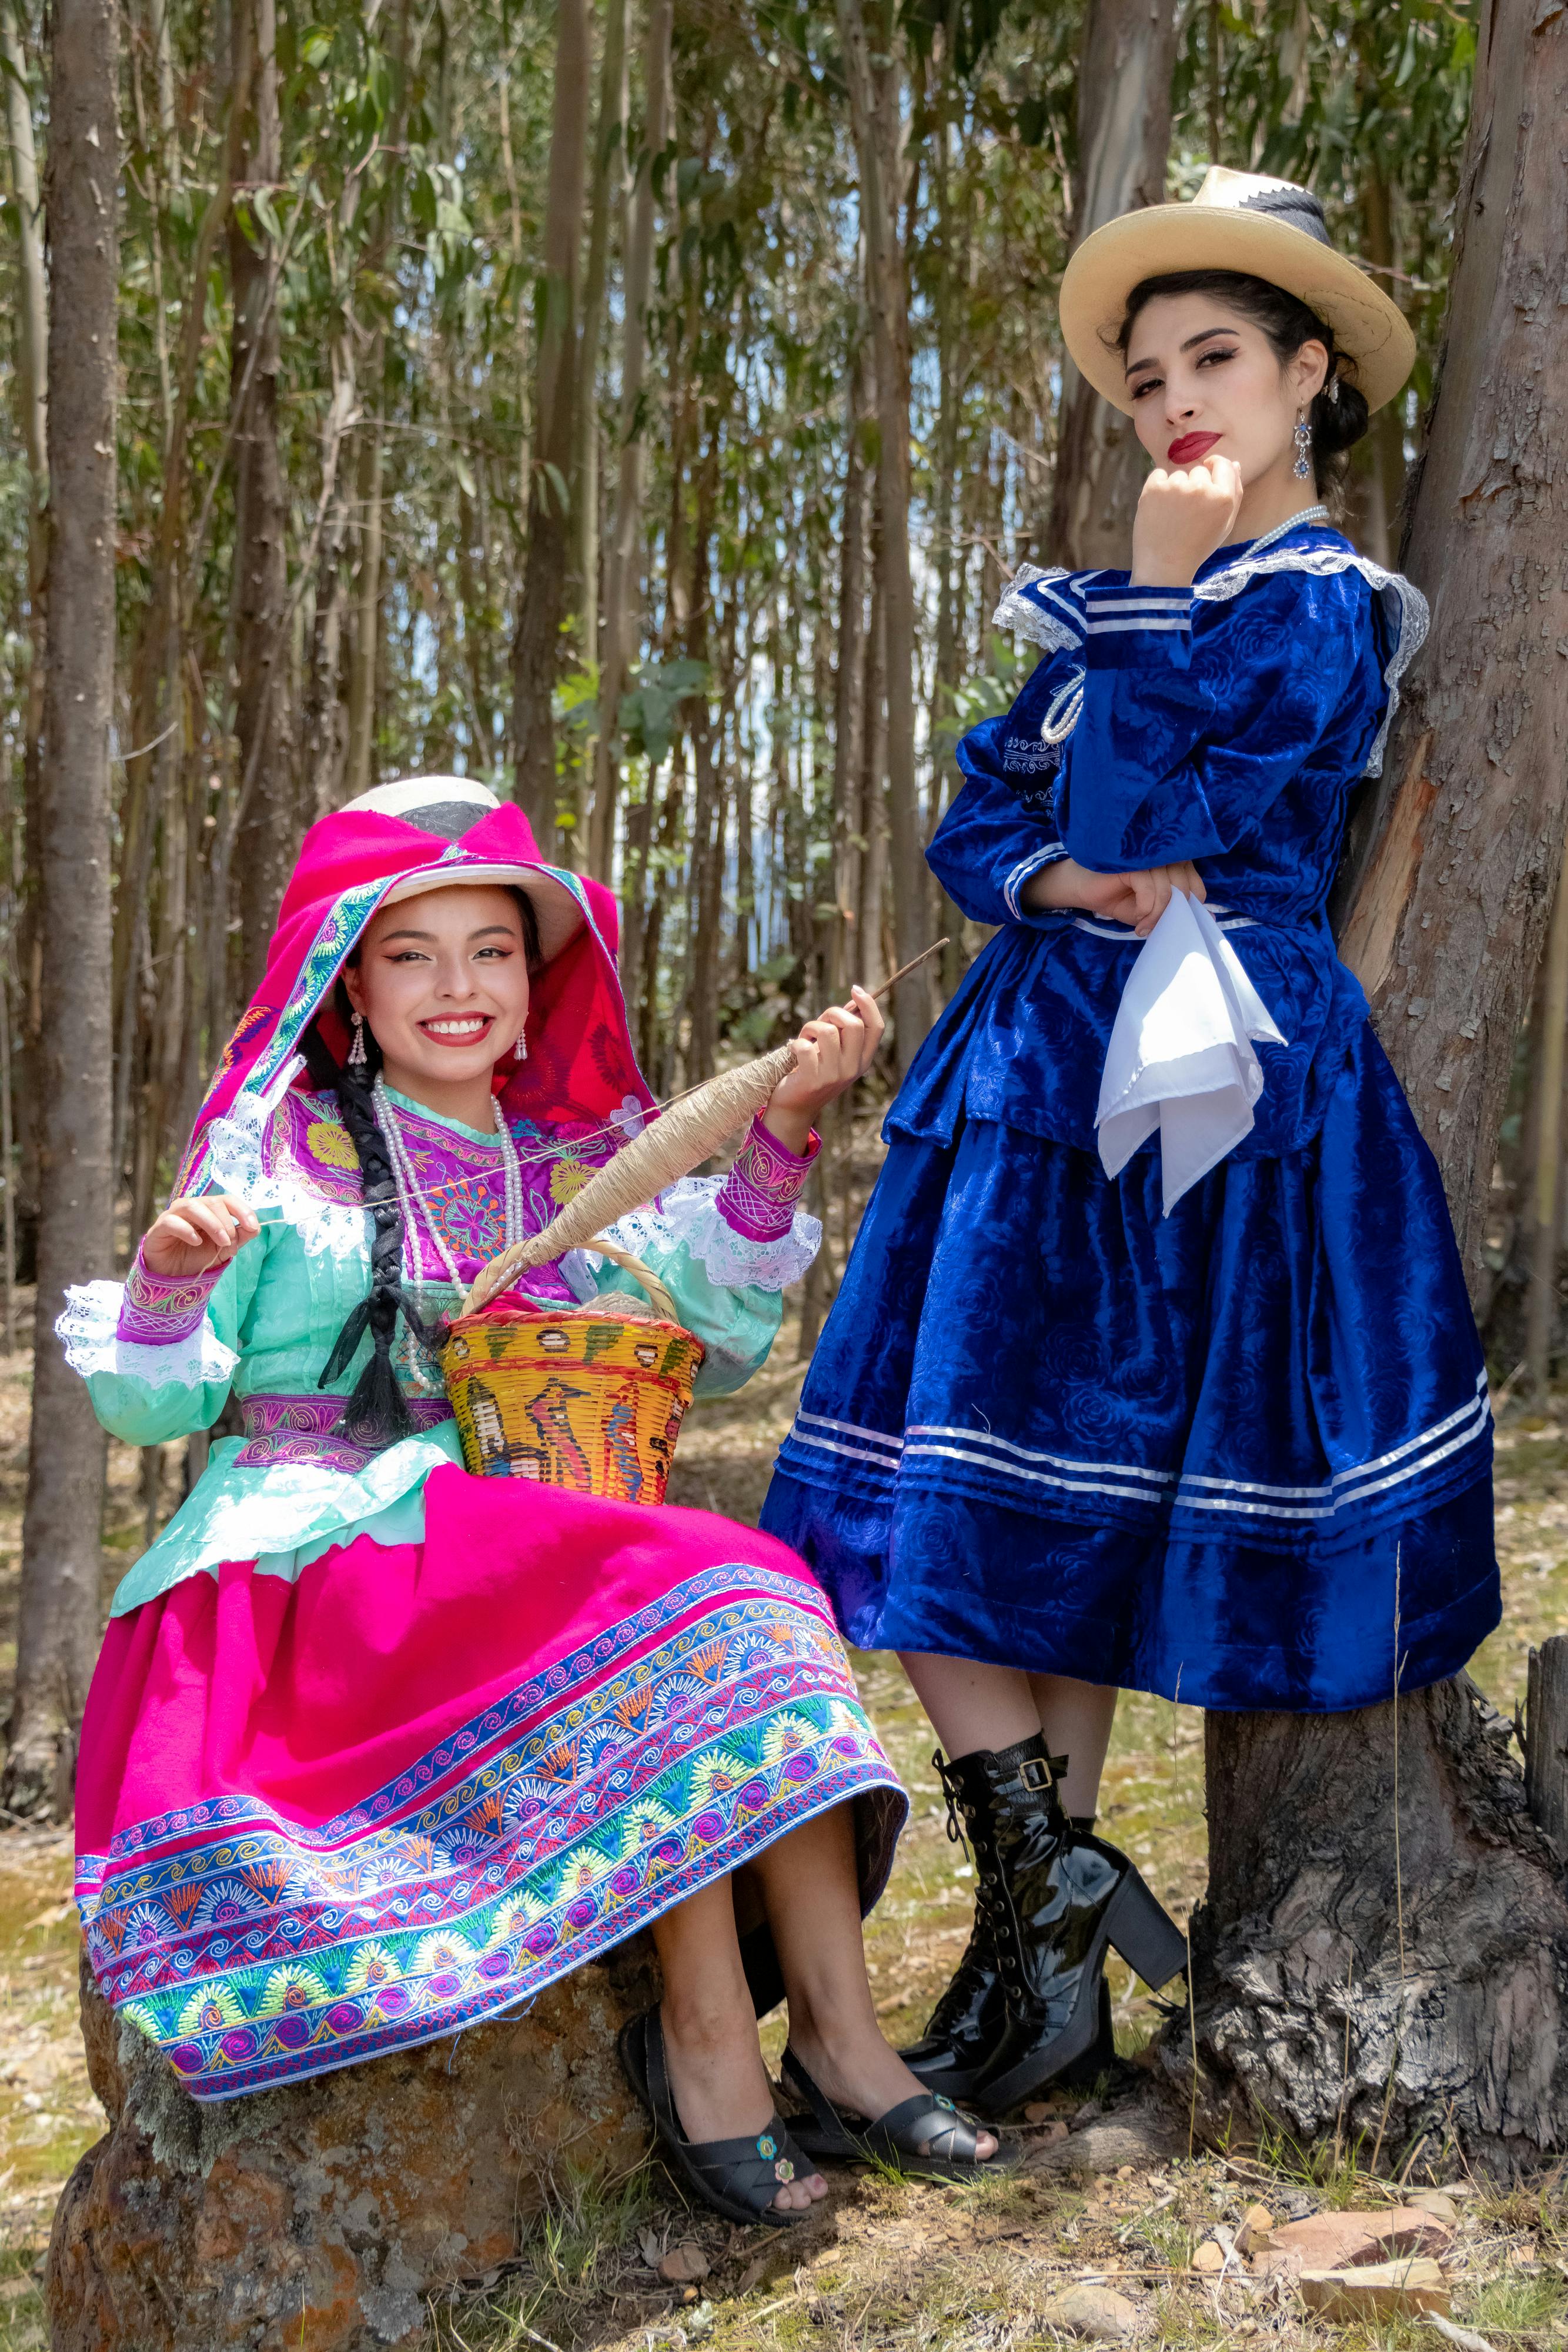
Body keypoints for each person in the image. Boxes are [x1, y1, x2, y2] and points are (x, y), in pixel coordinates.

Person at [761, 169, 1501, 2119]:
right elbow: (985, 823)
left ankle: (1040, 1936)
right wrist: (1053, 867)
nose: (1175, 401)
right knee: (970, 1523)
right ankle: (1048, 1928)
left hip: (1189, 1085)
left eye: (1215, 362)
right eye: (1146, 373)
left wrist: (1154, 610)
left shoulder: (1316, 610)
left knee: (1029, 1513)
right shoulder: (1137, 599)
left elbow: (1146, 792)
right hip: (1025, 1079)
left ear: (1303, 372)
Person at [61, 777, 998, 2221]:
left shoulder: (561, 1155)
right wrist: (176, 1275)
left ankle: (841, 2036)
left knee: (748, 1580)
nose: (457, 985)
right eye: (411, 951)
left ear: (535, 972)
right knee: (693, 1594)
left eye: (491, 949)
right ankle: (705, 2045)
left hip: (502, 1543)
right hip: (314, 1562)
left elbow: (709, 1324)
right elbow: (159, 1402)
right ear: (346, 981)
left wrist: (788, 1117)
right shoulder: (277, 1149)